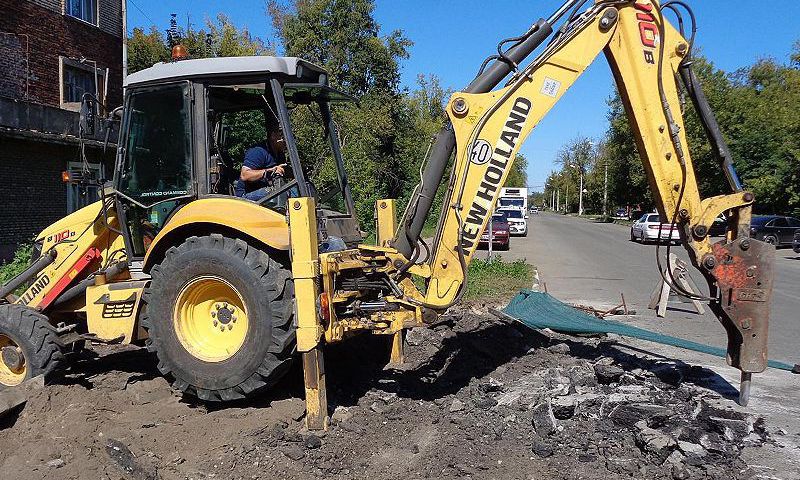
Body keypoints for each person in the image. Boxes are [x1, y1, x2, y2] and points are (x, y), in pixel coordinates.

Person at [234, 128, 288, 202]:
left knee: (291, 189)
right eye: (284, 137)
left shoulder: (280, 154)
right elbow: (245, 175)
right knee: (277, 192)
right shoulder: (258, 151)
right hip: (245, 196)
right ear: (273, 136)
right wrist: (270, 171)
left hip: (265, 189)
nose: (286, 142)